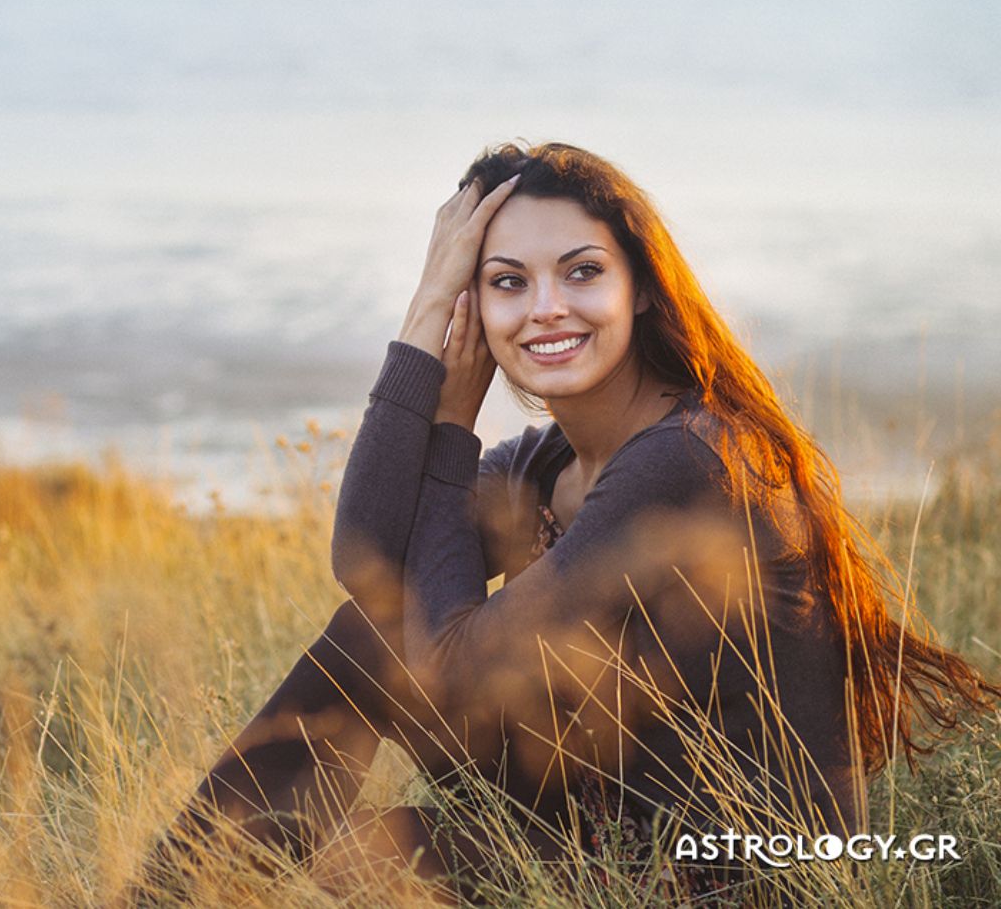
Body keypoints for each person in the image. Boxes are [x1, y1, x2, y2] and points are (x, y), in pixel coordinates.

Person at [134, 142, 999, 903]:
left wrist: (449, 428)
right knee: (368, 640)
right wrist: (425, 318)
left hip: (736, 878)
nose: (546, 306)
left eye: (582, 272)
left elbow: (457, 673)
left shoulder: (689, 460)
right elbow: (367, 559)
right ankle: (165, 899)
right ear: (477, 310)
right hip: (602, 825)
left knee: (368, 855)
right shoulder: (540, 467)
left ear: (643, 289)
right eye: (507, 282)